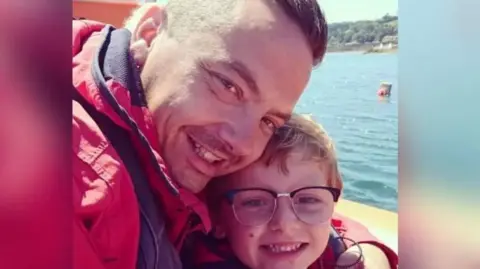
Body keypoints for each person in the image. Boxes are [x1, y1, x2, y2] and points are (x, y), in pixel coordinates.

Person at [72, 1, 328, 269]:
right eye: (229, 86)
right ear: (149, 35)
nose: (242, 143)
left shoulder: (177, 147)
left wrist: (361, 253)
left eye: (269, 121)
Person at [192, 114, 398, 269]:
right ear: (217, 218)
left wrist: (370, 254)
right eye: (254, 202)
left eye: (307, 199)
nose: (285, 223)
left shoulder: (330, 248)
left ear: (332, 201)